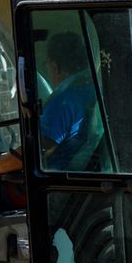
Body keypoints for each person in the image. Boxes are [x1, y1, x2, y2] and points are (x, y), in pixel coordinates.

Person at [39, 31, 98, 169]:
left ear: (55, 67)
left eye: (47, 63)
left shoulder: (63, 102)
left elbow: (40, 150)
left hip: (58, 180)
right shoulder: (92, 90)